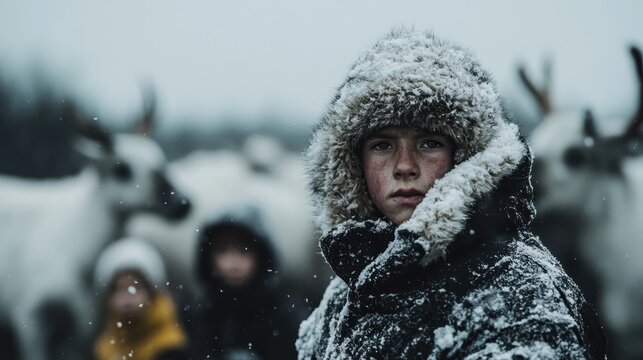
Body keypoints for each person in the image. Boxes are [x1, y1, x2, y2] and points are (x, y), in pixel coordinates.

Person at [296, 28, 607, 359]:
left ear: (464, 156)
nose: (404, 166)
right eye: (383, 145)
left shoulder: (519, 294)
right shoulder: (347, 291)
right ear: (354, 164)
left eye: (429, 143)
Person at [186, 206, 306, 360]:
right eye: (223, 251)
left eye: (244, 251)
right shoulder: (201, 313)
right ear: (208, 258)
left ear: (261, 256)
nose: (233, 263)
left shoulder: (283, 311)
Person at [94, 238, 188, 360]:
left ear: (152, 293)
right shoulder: (104, 349)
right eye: (119, 289)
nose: (127, 298)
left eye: (135, 288)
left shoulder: (171, 347)